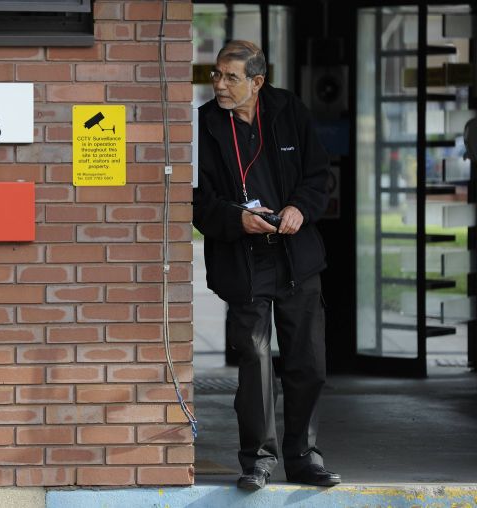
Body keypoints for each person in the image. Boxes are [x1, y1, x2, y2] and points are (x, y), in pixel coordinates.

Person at [192, 40, 340, 490]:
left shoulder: (288, 110)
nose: (219, 84)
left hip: (296, 256)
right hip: (244, 258)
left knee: (307, 362)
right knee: (255, 361)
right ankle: (257, 460)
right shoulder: (203, 124)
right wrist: (236, 219)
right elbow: (197, 202)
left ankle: (304, 458)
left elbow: (319, 176)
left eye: (230, 77)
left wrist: (299, 209)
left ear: (257, 82)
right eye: (216, 74)